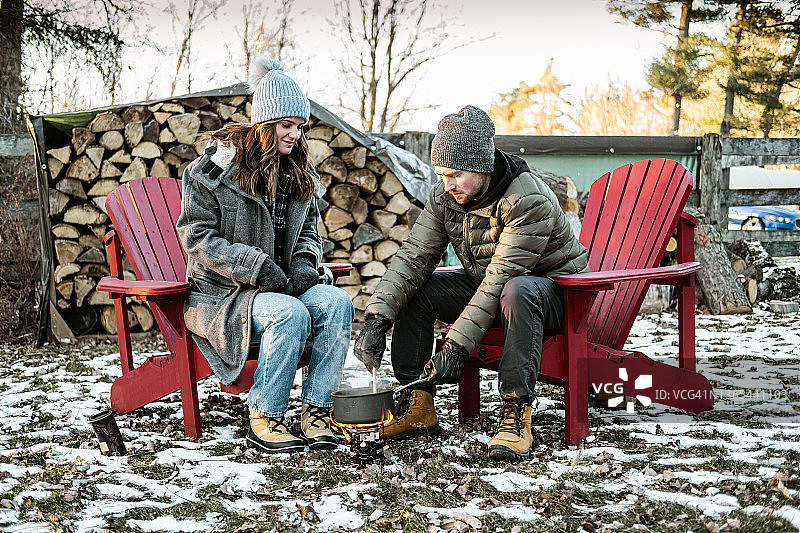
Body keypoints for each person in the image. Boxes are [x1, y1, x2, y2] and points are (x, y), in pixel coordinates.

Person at [354, 105, 589, 460]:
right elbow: (414, 256)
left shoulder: (526, 199)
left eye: (456, 174)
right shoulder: (445, 196)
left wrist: (455, 348)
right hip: (499, 290)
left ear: (482, 165)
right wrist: (377, 319)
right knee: (422, 288)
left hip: (556, 296)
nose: (447, 185)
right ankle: (418, 403)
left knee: (518, 290)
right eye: (441, 174)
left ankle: (515, 411)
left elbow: (501, 280)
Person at [177, 56, 354, 454]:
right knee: (289, 314)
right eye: (286, 125)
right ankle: (266, 413)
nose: (294, 134)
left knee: (338, 303)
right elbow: (196, 237)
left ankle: (317, 411)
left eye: (299, 127)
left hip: (281, 286)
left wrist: (305, 263)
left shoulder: (298, 173)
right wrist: (255, 266)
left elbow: (309, 230)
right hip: (225, 295)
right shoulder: (213, 172)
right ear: (264, 123)